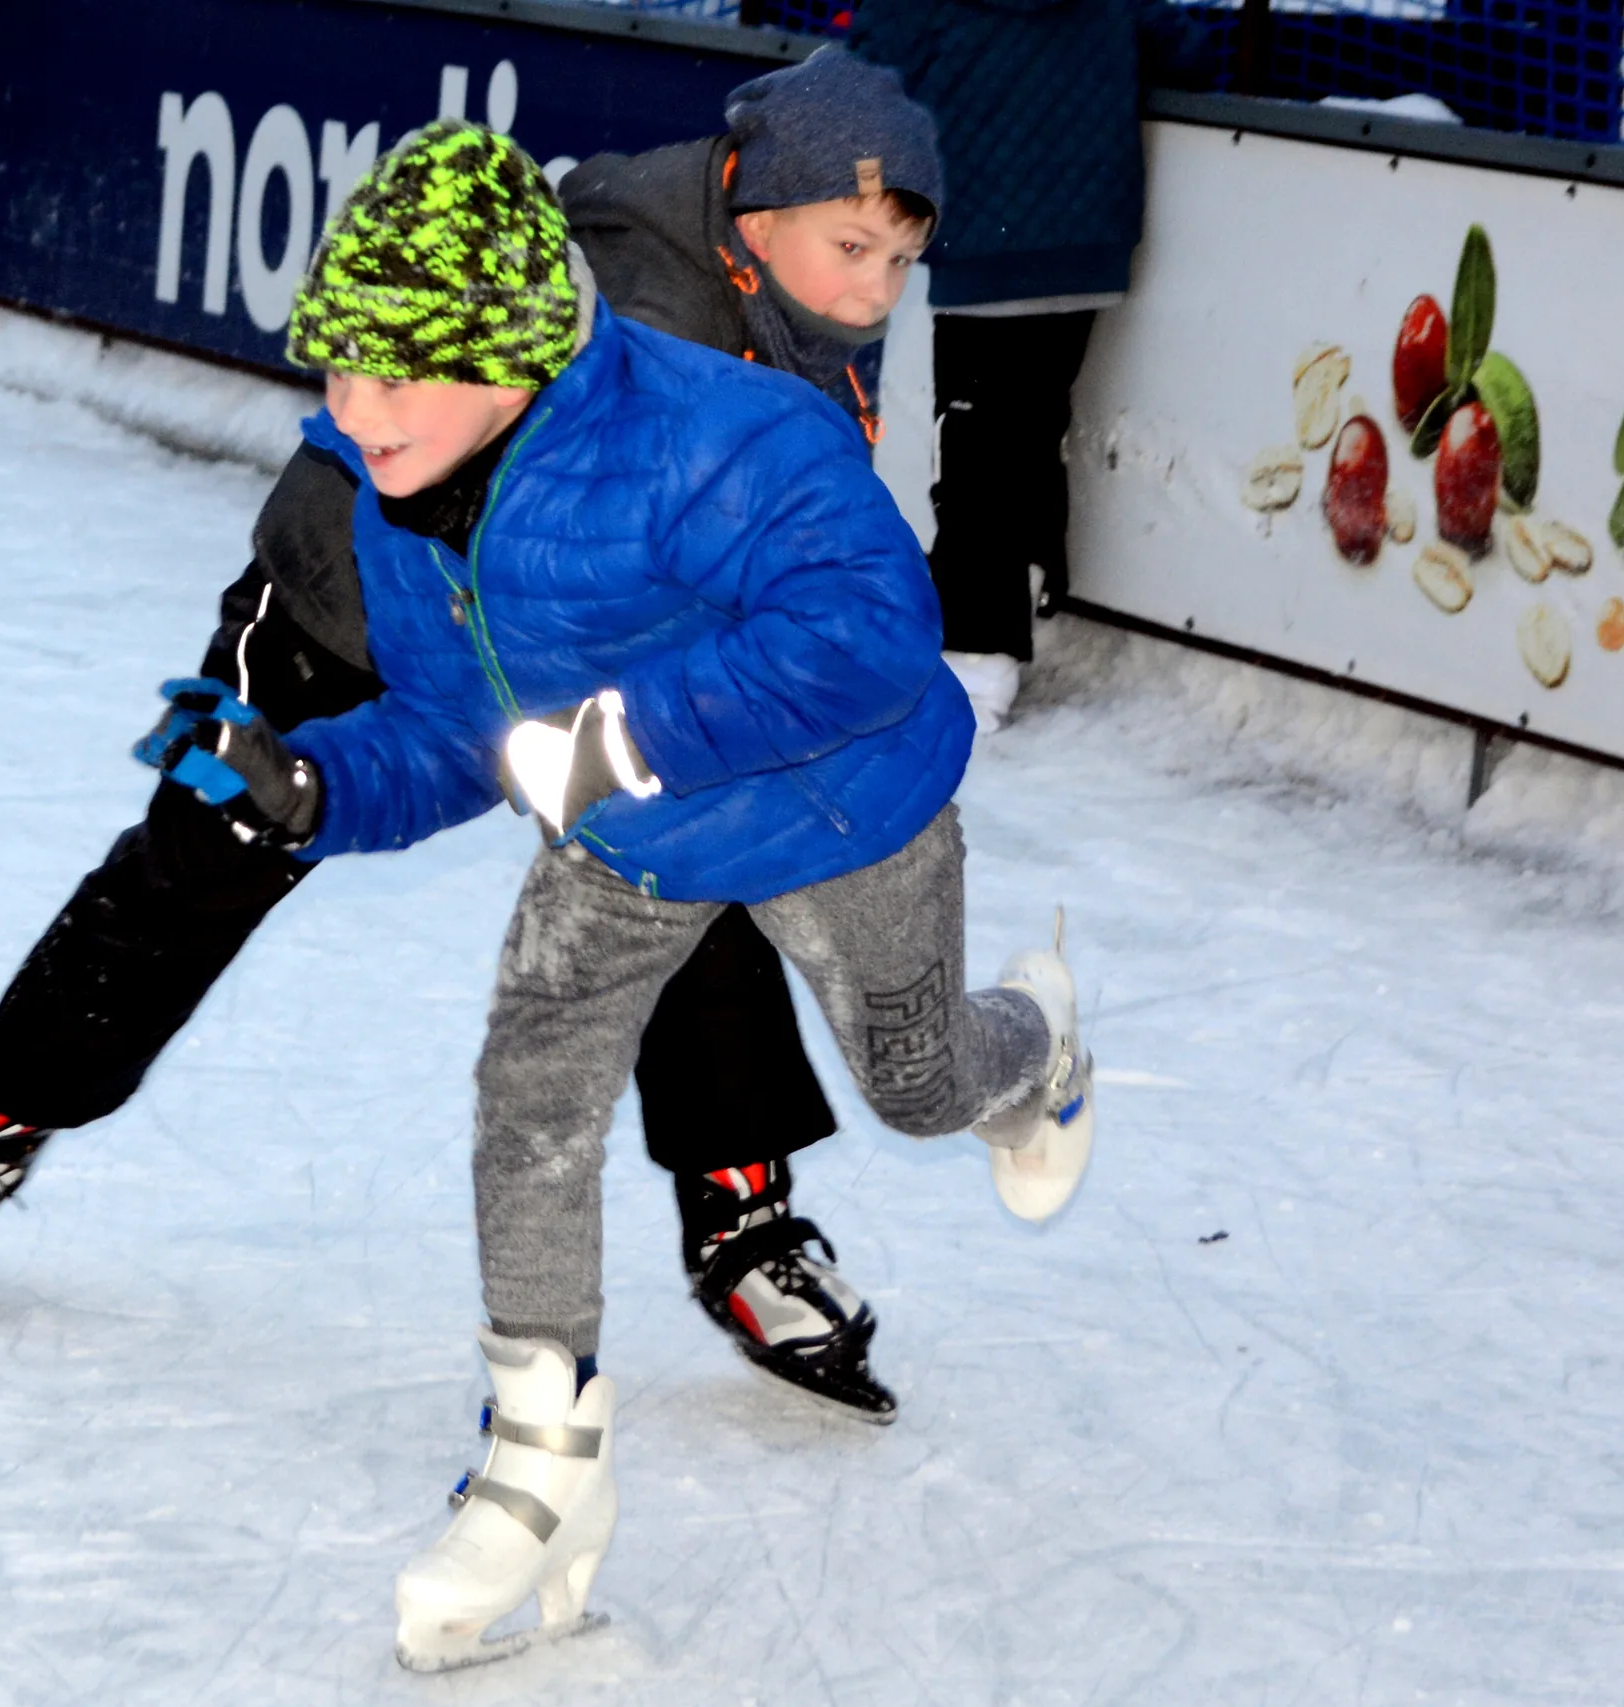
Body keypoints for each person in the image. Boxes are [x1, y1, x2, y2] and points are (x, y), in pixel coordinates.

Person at [0, 52, 953, 1421]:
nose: (874, 290)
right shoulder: (638, 303)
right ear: (755, 213)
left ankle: (743, 1213)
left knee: (685, 853)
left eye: (895, 260)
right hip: (346, 605)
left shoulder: (790, 309)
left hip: (555, 654)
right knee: (213, 842)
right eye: (851, 249)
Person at [152, 119, 1096, 1670]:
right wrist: (316, 785)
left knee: (919, 1086)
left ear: (513, 355)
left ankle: (1039, 1052)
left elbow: (870, 635)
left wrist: (623, 736)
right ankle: (542, 1469)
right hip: (631, 841)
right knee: (526, 1095)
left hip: (837, 813)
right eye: (337, 365)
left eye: (396, 373)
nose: (353, 411)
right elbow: (466, 733)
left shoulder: (724, 436)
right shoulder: (396, 491)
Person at [851, 0, 1151, 730]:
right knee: (1030, 424)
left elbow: (868, 71)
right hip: (1089, 248)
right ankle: (1028, 580)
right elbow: (1186, 47)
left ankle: (980, 659)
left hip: (989, 249)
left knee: (977, 451)